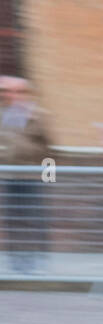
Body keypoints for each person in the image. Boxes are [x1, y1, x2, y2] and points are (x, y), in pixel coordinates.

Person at [0, 76, 52, 272]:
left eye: (18, 91)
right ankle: (16, 262)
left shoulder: (38, 115)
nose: (12, 95)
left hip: (31, 178)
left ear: (26, 94)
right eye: (8, 91)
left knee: (34, 219)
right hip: (8, 178)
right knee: (12, 221)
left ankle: (38, 260)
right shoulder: (2, 113)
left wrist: (49, 177)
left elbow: (49, 150)